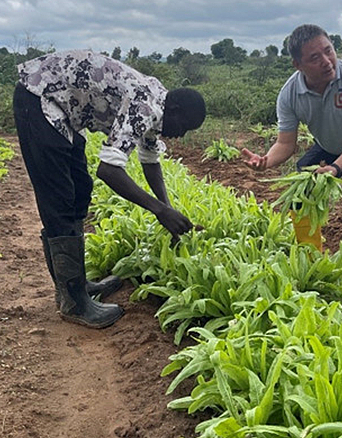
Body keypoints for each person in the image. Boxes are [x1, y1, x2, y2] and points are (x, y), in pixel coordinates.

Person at [13, 49, 206, 329]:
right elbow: (109, 171)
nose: (181, 135)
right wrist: (158, 209)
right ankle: (73, 302)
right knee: (60, 198)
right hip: (40, 98)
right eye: (184, 127)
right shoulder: (147, 106)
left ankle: (76, 285)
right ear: (174, 111)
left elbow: (150, 160)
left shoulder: (160, 104)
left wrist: (168, 211)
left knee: (80, 189)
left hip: (62, 110)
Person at [241, 24, 342, 292]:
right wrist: (266, 161)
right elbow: (285, 143)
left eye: (329, 51)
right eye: (315, 58)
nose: (327, 62)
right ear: (297, 64)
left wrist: (336, 168)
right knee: (301, 191)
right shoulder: (290, 94)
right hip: (329, 144)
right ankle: (311, 264)